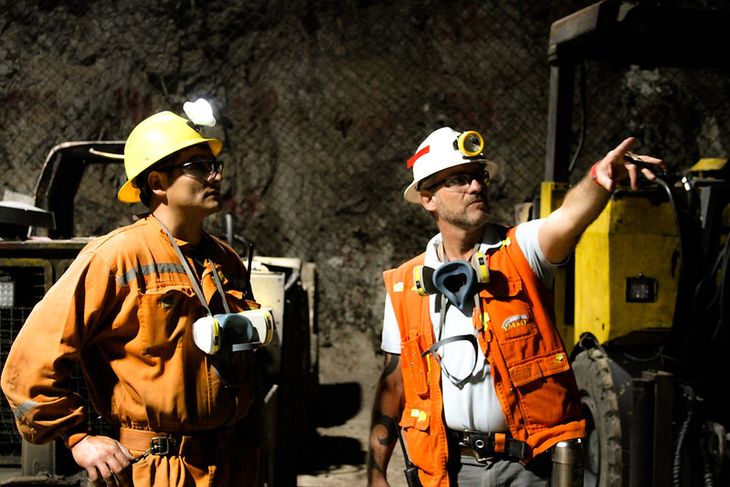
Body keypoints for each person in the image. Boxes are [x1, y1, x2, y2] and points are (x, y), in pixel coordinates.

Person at [367, 127, 662, 486]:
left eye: (479, 176)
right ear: (428, 199)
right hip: (448, 468)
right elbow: (394, 383)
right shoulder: (405, 284)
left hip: (528, 466)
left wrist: (599, 179)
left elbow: (569, 218)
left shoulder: (523, 250)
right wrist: (376, 473)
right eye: (459, 180)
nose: (476, 186)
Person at [1, 110, 264, 487]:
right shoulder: (116, 257)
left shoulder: (226, 259)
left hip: (231, 463)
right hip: (156, 469)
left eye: (215, 165)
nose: (216, 176)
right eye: (199, 166)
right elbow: (28, 365)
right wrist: (78, 438)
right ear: (157, 183)